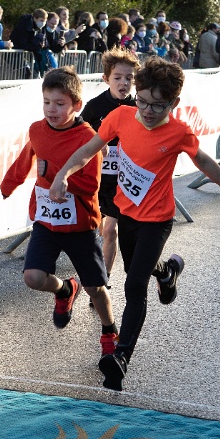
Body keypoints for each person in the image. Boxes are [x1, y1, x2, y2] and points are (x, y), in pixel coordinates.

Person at [49, 58, 220, 391]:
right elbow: (88, 150)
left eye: (157, 106)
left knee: (134, 285)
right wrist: (62, 175)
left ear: (174, 103)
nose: (146, 111)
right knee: (140, 269)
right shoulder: (121, 116)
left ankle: (121, 356)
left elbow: (204, 161)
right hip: (127, 214)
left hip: (157, 221)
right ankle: (168, 271)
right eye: (142, 101)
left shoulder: (178, 132)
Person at [0, 67, 119, 357]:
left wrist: (56, 176)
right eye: (46, 102)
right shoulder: (37, 130)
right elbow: (27, 157)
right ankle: (65, 289)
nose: (51, 109)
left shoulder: (88, 137)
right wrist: (9, 183)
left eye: (59, 103)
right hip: (46, 221)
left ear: (76, 105)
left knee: (95, 288)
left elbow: (91, 185)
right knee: (33, 277)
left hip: (80, 225)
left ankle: (109, 331)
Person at [79, 48, 139, 285]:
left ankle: (103, 281)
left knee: (111, 230)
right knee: (97, 229)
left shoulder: (138, 107)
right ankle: (95, 272)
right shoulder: (95, 106)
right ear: (106, 79)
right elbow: (78, 132)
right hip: (96, 179)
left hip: (121, 182)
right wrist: (96, 141)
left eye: (129, 78)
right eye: (117, 78)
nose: (123, 83)